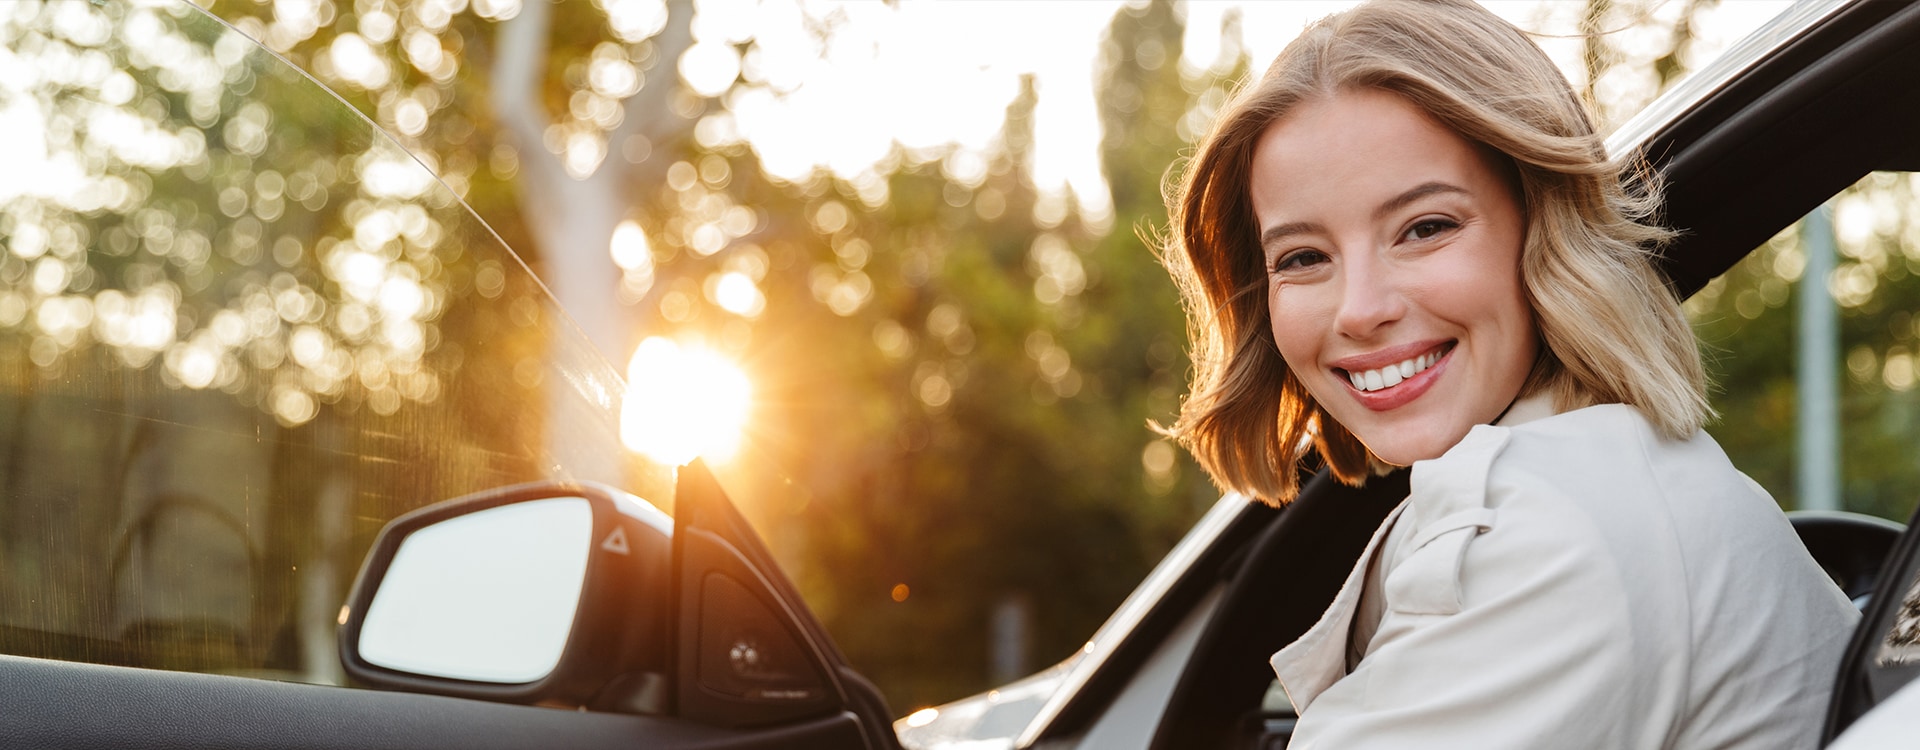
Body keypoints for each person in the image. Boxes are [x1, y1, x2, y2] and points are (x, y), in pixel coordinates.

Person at [1157, 1, 1859, 747]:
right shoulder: (1615, 474)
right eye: (1302, 258)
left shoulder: (1548, 538)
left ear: (1545, 227)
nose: (1359, 310)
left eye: (1426, 228)